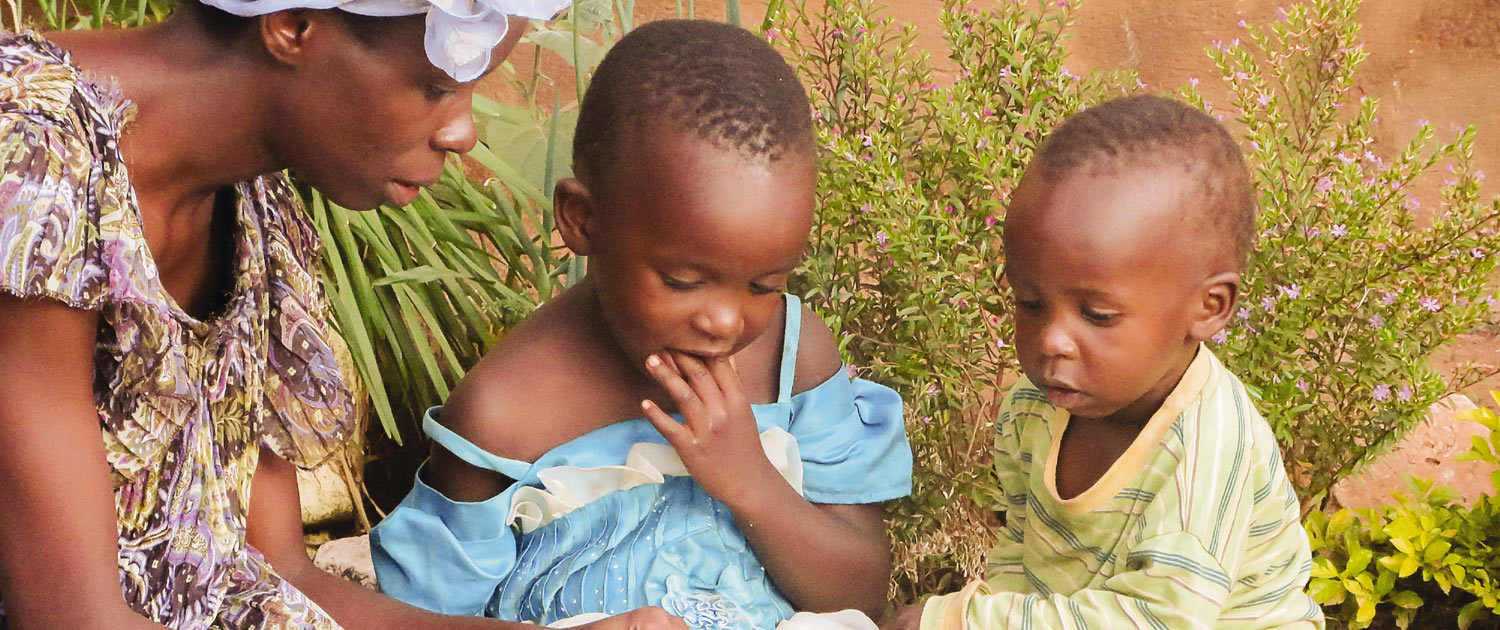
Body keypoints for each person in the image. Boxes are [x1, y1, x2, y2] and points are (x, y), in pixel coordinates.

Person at [0, 2, 692, 630]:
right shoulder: (34, 161)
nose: (464, 132)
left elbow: (273, 579)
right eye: (436, 88)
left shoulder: (255, 209)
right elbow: (69, 617)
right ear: (293, 25)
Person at [369, 19, 913, 630]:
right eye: (683, 281)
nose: (726, 321)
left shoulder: (792, 358)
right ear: (582, 220)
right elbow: (419, 619)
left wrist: (751, 482)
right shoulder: (506, 418)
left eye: (766, 284)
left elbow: (861, 594)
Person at [883, 95, 1325, 630]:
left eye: (1097, 314)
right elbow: (1023, 560)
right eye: (1029, 302)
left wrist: (961, 621)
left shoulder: (1204, 450)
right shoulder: (1033, 409)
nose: (1052, 340)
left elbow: (1158, 620)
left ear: (1208, 308)